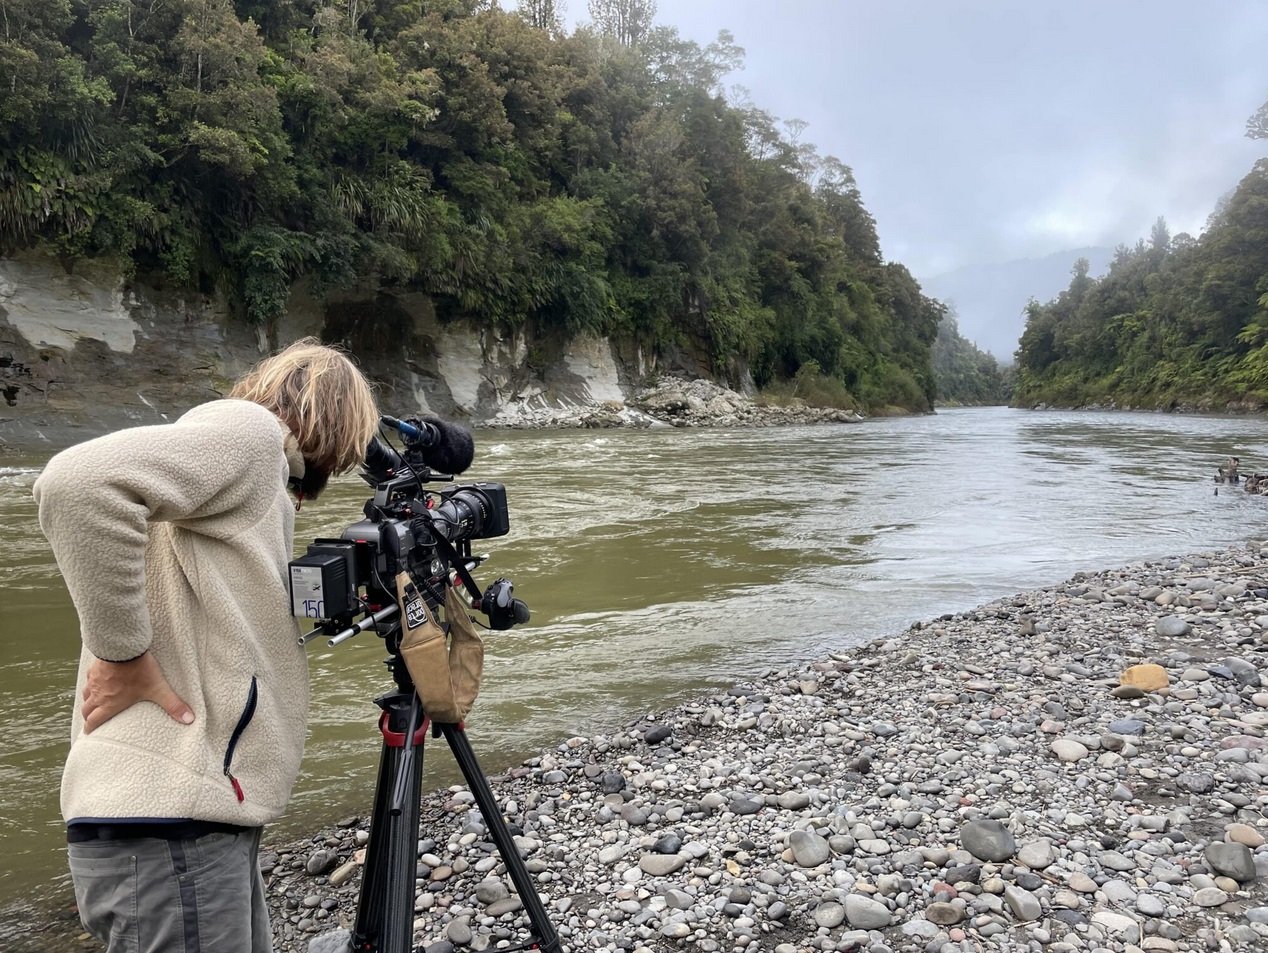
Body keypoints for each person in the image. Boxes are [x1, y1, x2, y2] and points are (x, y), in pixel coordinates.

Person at [33, 338, 379, 952]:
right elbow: (76, 483)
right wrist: (124, 655)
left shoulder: (235, 465)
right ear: (337, 422)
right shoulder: (248, 434)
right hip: (171, 825)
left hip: (187, 819)